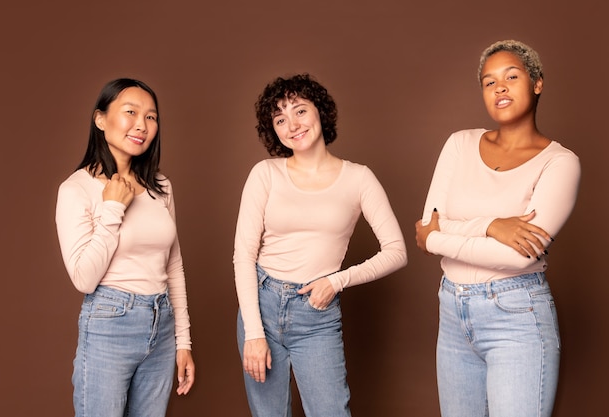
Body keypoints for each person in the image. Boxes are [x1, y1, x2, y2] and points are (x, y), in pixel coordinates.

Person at [415, 40, 580, 417]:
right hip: (453, 313)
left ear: (537, 83)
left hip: (517, 317)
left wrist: (445, 234)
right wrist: (492, 225)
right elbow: (427, 229)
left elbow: (517, 256)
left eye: (511, 76)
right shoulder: (459, 144)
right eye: (489, 82)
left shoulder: (560, 163)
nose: (499, 87)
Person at [233, 73, 408, 416]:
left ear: (320, 112)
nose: (292, 125)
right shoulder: (265, 174)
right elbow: (243, 256)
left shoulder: (359, 178)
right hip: (262, 305)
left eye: (299, 111)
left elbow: (396, 251)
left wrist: (337, 280)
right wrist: (253, 332)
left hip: (317, 314)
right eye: (280, 119)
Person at [55, 78, 195, 417]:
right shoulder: (77, 189)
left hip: (161, 323)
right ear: (100, 119)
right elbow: (84, 279)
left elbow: (173, 265)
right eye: (130, 112)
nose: (141, 125)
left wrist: (183, 341)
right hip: (110, 322)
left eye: (151, 116)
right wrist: (113, 208)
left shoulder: (160, 186)